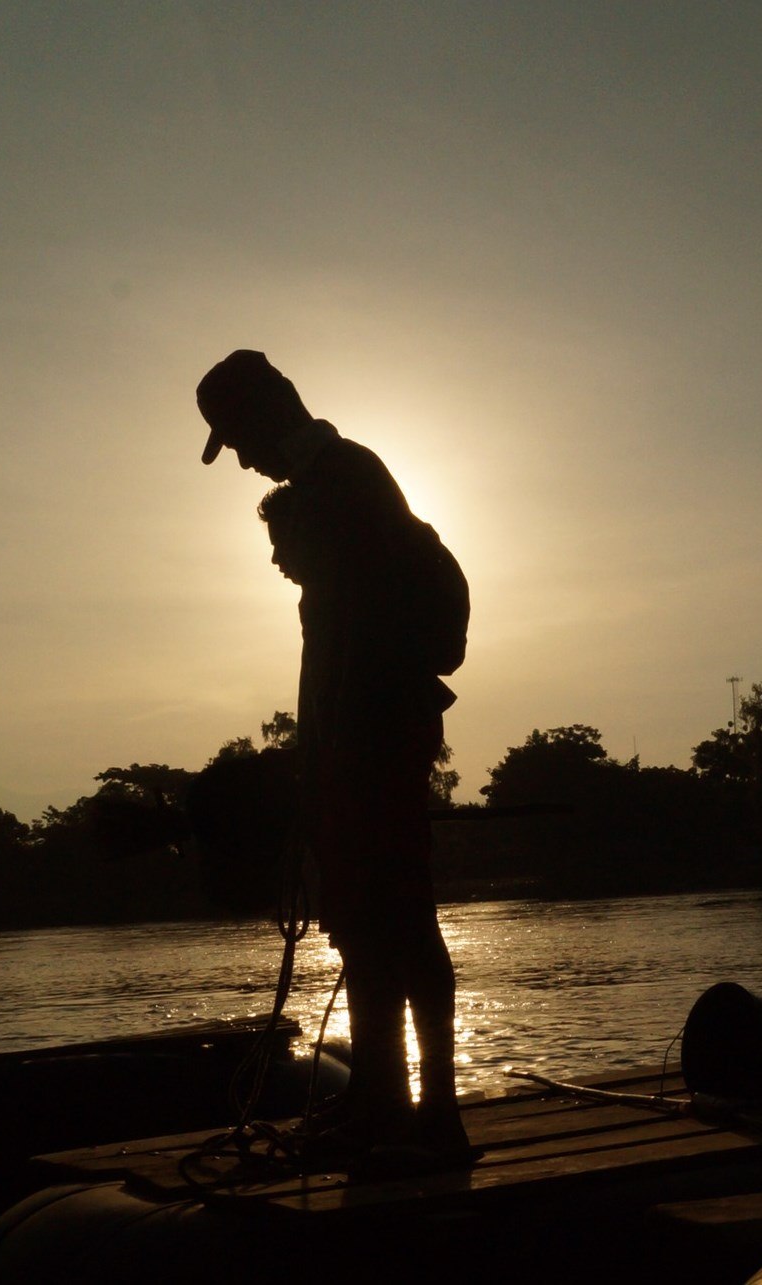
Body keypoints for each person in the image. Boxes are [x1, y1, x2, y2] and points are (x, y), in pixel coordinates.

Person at [196, 349, 473, 1170]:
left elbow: (350, 644)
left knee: (400, 920)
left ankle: (431, 1113)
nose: (242, 457)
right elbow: (328, 646)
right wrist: (313, 756)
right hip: (360, 737)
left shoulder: (341, 482)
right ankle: (382, 1099)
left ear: (272, 408)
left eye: (239, 436)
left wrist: (327, 759)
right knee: (363, 922)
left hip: (375, 737)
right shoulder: (331, 485)